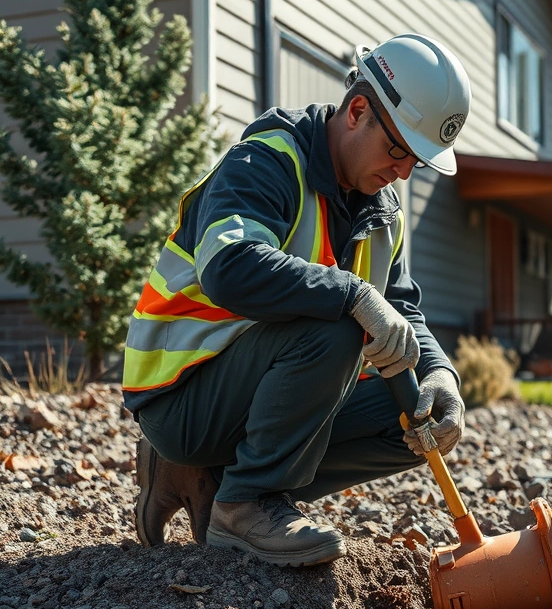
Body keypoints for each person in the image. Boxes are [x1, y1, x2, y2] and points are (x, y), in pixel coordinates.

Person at [122, 33, 470, 567]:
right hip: (182, 395)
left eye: (416, 162)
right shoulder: (268, 159)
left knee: (413, 417)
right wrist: (353, 295)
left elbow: (403, 310)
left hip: (253, 389)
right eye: (398, 149)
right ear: (357, 111)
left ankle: (223, 487)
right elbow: (229, 267)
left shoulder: (384, 211)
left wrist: (440, 375)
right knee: (336, 323)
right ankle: (245, 504)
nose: (403, 171)